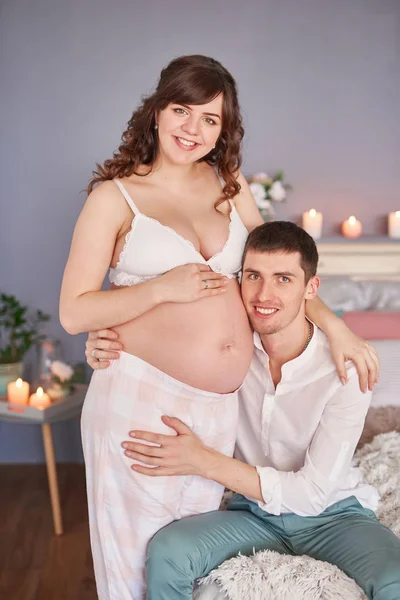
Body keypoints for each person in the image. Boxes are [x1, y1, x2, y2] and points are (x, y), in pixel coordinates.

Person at [63, 55, 378, 600]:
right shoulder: (113, 198)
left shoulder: (227, 182)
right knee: (133, 562)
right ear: (156, 111)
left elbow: (281, 268)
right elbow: (75, 311)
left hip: (216, 410)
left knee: (199, 569)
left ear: (223, 129)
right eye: (182, 110)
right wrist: (161, 289)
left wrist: (337, 328)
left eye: (210, 119)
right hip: (141, 399)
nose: (193, 129)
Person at [115, 222, 399, 600]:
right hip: (251, 513)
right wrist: (106, 342)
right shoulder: (227, 349)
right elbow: (157, 339)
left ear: (310, 289)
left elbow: (312, 493)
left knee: (396, 579)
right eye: (253, 276)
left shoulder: (347, 369)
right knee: (168, 551)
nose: (264, 294)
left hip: (334, 517)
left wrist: (202, 461)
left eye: (283, 278)